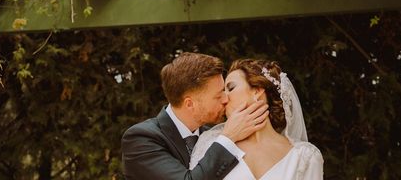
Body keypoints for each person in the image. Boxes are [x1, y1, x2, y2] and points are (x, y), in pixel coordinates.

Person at [121, 52, 270, 180]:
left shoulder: (213, 133)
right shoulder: (141, 139)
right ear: (190, 104)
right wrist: (228, 138)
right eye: (218, 96)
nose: (226, 99)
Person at [189, 59, 323, 179]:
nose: (224, 99)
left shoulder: (305, 156)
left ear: (257, 91)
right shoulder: (211, 143)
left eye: (231, 88)